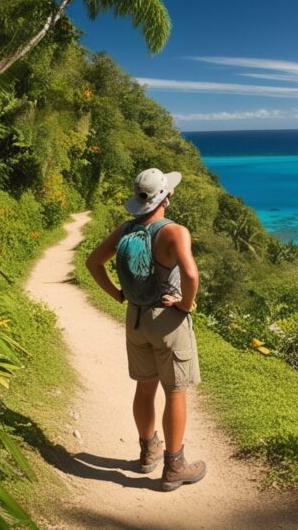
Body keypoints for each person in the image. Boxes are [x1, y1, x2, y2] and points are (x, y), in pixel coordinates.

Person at [85, 168, 206, 492]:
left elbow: (92, 262)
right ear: (168, 196)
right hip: (166, 321)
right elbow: (191, 276)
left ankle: (147, 451)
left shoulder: (126, 229)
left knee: (145, 387)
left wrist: (117, 294)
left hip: (135, 319)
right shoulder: (174, 232)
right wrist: (185, 304)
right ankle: (175, 466)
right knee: (175, 391)